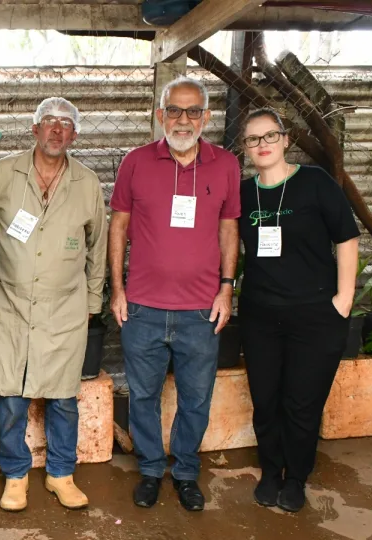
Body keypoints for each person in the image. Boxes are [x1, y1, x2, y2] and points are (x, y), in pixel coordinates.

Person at [0, 97, 107, 512]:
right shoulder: (3, 173)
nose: (57, 130)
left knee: (63, 398)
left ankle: (61, 473)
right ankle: (16, 474)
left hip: (65, 310)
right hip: (9, 306)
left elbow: (97, 246)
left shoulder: (87, 183)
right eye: (49, 122)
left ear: (75, 134)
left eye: (66, 124)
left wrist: (92, 299)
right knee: (10, 397)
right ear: (35, 129)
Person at [109, 76, 241, 512]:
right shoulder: (136, 162)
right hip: (143, 307)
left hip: (202, 310)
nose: (183, 120)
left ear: (206, 116)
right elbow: (119, 227)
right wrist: (117, 289)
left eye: (192, 111)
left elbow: (228, 229)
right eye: (174, 110)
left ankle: (185, 472)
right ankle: (150, 470)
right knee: (143, 396)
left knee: (196, 398)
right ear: (159, 114)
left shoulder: (225, 165)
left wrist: (226, 288)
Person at [237, 108, 359, 513]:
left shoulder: (315, 183)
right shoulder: (243, 193)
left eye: (270, 136)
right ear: (245, 148)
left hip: (315, 315)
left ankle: (296, 477)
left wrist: (343, 300)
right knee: (266, 400)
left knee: (302, 403)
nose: (263, 145)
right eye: (253, 139)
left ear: (286, 139)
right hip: (260, 316)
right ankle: (271, 471)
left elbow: (346, 238)